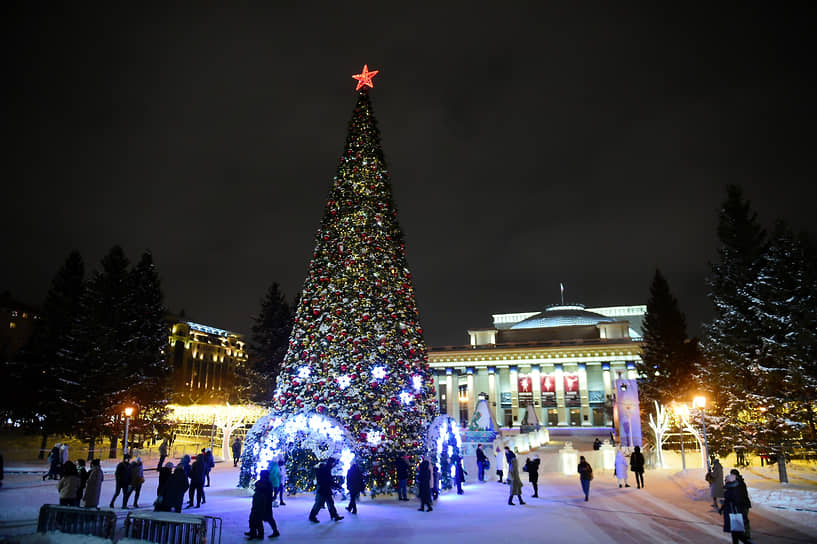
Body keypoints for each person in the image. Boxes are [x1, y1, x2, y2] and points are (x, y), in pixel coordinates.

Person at [246, 469, 280, 540]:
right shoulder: (266, 483)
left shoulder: (265, 484)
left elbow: (259, 487)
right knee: (258, 518)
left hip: (263, 505)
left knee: (259, 518)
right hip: (262, 504)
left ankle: (257, 533)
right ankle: (254, 532)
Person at [720, 472, 754, 544]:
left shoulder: (733, 489)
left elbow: (733, 501)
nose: (725, 481)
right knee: (735, 532)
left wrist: (725, 506)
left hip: (734, 513)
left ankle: (748, 542)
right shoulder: (732, 488)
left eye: (726, 480)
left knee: (736, 533)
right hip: (733, 513)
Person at [308, 458, 343, 523]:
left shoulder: (327, 469)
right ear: (331, 463)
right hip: (323, 489)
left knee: (330, 503)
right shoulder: (325, 469)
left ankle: (334, 515)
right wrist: (337, 486)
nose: (334, 464)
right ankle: (312, 516)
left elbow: (328, 481)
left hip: (325, 489)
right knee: (319, 503)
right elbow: (328, 481)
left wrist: (335, 485)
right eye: (333, 463)